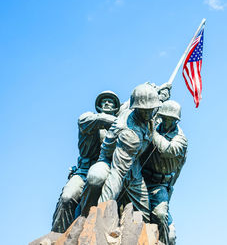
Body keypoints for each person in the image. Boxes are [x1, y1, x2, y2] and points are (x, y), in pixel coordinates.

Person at [79, 83, 169, 218]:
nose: (149, 112)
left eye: (151, 108)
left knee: (143, 215)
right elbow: (117, 175)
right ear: (137, 108)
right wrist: (100, 213)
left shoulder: (149, 114)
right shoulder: (128, 132)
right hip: (112, 162)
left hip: (134, 167)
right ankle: (86, 218)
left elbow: (153, 108)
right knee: (97, 179)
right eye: (145, 110)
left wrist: (161, 95)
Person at [51, 91, 120, 233]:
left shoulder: (122, 125)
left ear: (116, 107)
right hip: (83, 171)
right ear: (98, 106)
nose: (106, 103)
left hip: (109, 170)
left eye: (110, 101)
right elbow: (91, 121)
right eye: (103, 101)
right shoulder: (88, 118)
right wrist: (121, 120)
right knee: (67, 197)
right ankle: (57, 235)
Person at [138, 100, 188, 245]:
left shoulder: (181, 139)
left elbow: (167, 150)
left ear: (176, 120)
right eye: (164, 118)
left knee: (160, 215)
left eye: (170, 119)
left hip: (159, 185)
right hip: (140, 179)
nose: (166, 122)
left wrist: (151, 131)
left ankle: (161, 242)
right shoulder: (153, 125)